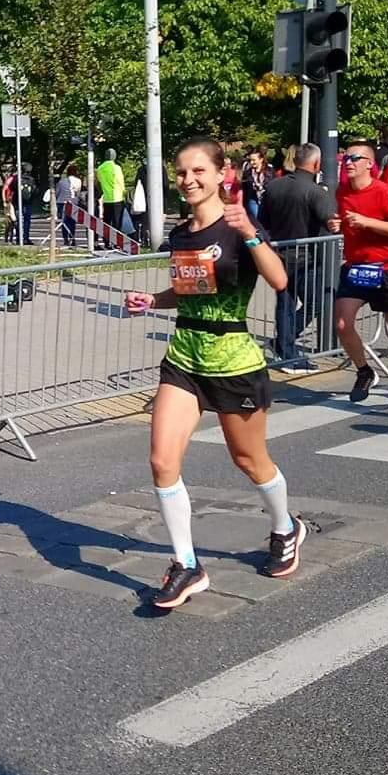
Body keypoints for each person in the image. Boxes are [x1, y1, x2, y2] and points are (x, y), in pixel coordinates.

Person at [123, 138, 313, 607]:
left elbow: (279, 279)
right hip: (184, 358)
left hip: (233, 362)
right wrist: (153, 300)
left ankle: (285, 527)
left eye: (198, 171)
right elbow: (188, 289)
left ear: (221, 172)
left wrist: (249, 231)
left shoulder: (237, 224)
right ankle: (187, 564)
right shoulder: (181, 235)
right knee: (162, 462)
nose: (188, 180)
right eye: (181, 173)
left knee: (249, 460)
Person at [333, 138, 388, 403]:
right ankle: (364, 371)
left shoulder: (384, 193)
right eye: (345, 158)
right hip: (356, 267)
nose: (348, 163)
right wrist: (336, 224)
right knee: (342, 324)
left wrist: (367, 222)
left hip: (387, 268)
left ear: (369, 163)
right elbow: (345, 222)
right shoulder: (342, 191)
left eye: (354, 158)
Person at [257, 143, 338, 371]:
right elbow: (330, 221)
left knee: (286, 303)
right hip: (306, 257)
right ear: (317, 164)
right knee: (316, 302)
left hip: (279, 254)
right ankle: (285, 345)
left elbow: (262, 222)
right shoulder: (314, 191)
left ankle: (285, 348)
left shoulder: (274, 187)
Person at [95, 148, 128, 245]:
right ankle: (116, 242)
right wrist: (124, 193)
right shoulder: (116, 168)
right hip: (117, 198)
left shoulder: (100, 168)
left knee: (106, 221)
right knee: (117, 222)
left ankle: (106, 241)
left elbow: (100, 181)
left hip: (106, 199)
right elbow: (120, 182)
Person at [237, 145, 271, 222]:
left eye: (254, 160)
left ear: (261, 159)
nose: (251, 162)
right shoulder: (248, 173)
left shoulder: (269, 170)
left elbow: (273, 185)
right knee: (256, 220)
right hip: (253, 198)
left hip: (266, 198)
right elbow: (244, 189)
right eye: (250, 160)